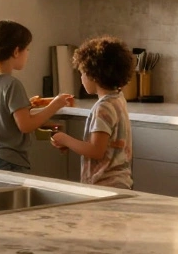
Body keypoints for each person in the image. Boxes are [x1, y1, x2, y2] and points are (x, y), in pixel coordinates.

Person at [0, 20, 72, 172]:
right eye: (27, 49)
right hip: (9, 161)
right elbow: (26, 126)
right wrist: (55, 105)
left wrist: (26, 106)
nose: (28, 54)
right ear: (16, 51)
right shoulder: (12, 84)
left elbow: (6, 117)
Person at [50, 37, 135, 189]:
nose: (81, 78)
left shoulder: (103, 107)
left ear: (93, 75)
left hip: (103, 185)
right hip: (121, 183)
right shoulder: (118, 99)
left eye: (82, 73)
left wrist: (64, 139)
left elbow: (96, 150)